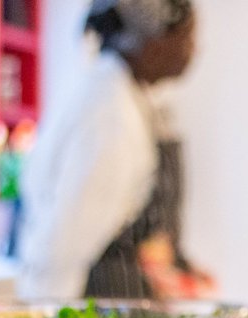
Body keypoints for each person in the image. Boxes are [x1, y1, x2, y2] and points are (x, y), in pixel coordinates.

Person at [18, 0, 210, 299]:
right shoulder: (109, 114)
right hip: (97, 309)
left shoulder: (123, 93)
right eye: (188, 38)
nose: (195, 51)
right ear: (154, 43)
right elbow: (65, 244)